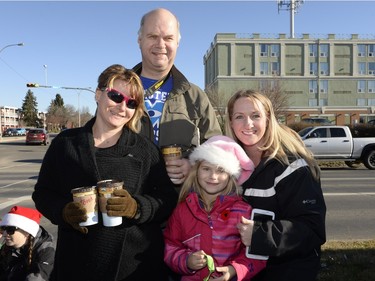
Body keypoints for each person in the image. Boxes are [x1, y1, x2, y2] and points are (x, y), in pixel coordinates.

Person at [32, 64, 178, 281]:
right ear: (98, 94)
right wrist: (63, 212)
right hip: (76, 264)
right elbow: (43, 193)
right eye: (116, 96)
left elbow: (166, 199)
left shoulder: (145, 150)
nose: (122, 107)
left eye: (131, 102)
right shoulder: (65, 144)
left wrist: (136, 207)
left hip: (134, 268)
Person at [224, 90, 326, 281]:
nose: (248, 124)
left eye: (256, 115)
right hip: (241, 271)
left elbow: (312, 229)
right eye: (239, 117)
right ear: (230, 122)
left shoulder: (293, 166)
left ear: (269, 119)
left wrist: (259, 235)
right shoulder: (226, 167)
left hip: (287, 272)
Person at [133, 8, 222, 185]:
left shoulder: (195, 96)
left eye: (168, 38)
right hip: (129, 201)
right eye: (152, 36)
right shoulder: (117, 93)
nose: (160, 44)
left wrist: (194, 166)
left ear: (178, 43)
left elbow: (217, 149)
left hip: (181, 204)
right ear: (140, 40)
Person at [163, 135, 266, 281]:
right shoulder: (183, 209)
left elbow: (256, 255)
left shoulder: (243, 212)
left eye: (221, 170)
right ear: (196, 170)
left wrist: (234, 270)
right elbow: (170, 247)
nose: (213, 176)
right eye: (206, 168)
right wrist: (187, 261)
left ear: (231, 176)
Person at [0, 205, 55, 281]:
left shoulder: (45, 251)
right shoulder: (7, 247)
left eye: (10, 229)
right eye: (3, 228)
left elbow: (36, 278)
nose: (5, 234)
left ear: (27, 231)